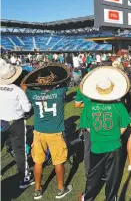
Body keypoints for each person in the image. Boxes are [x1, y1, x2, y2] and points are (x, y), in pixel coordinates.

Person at [79, 66, 131, 201]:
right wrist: (114, 135)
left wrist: (98, 133)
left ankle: (88, 196)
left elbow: (87, 127)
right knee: (112, 175)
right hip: (114, 145)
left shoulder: (89, 106)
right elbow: (124, 126)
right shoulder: (119, 106)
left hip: (96, 144)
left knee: (93, 173)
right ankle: (110, 197)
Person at [23, 63, 72, 199]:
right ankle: (61, 189)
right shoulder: (60, 91)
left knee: (38, 161)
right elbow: (66, 78)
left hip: (39, 132)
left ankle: (37, 190)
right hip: (55, 132)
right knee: (58, 161)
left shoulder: (33, 93)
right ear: (53, 80)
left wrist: (33, 77)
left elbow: (24, 85)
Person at [0, 59, 34, 189]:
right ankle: (24, 178)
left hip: (1, 122)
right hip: (16, 123)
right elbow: (27, 108)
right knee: (19, 151)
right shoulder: (17, 90)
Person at [74, 87, 91, 179]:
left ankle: (88, 173)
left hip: (87, 120)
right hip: (102, 118)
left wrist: (87, 104)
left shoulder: (82, 88)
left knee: (88, 148)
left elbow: (77, 104)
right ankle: (102, 171)